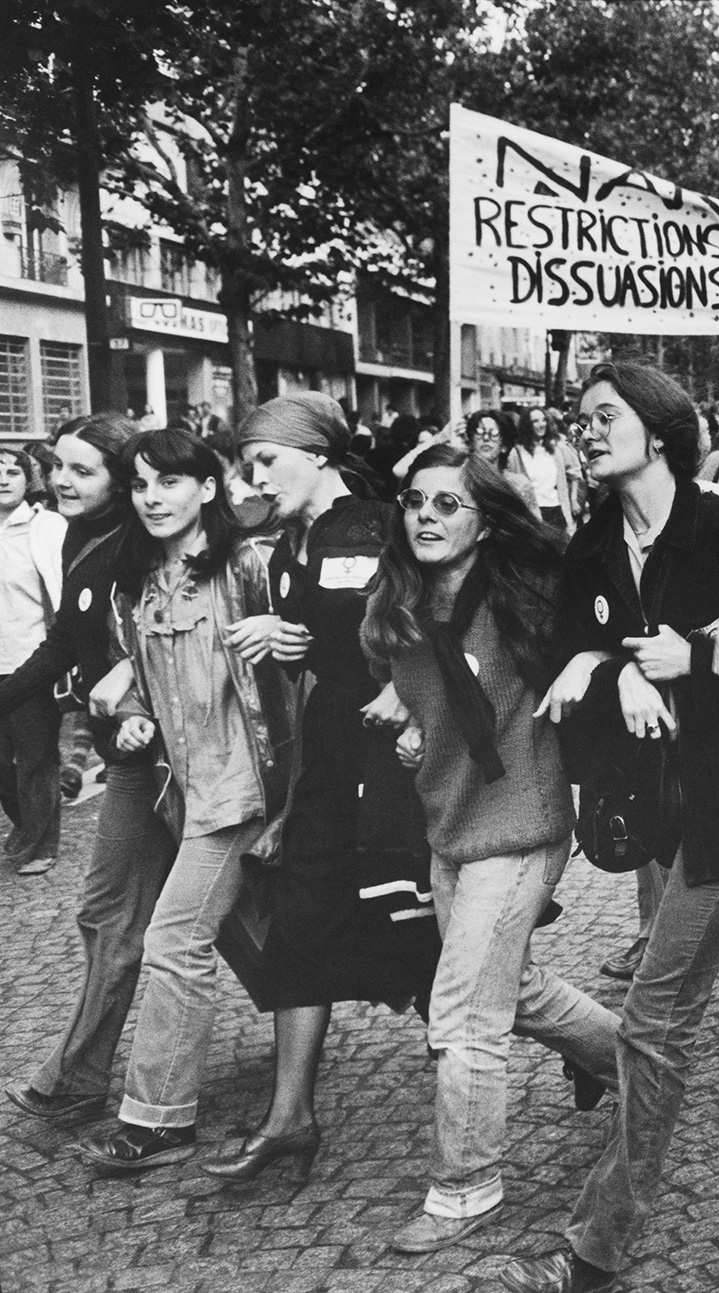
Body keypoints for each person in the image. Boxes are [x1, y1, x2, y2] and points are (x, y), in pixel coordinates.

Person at [493, 357, 719, 1293]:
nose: (584, 428)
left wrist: (694, 654)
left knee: (653, 1022)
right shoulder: (590, 546)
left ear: (658, 430)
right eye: (578, 417)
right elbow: (583, 660)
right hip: (661, 809)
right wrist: (613, 668)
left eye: (603, 414)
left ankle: (593, 1251)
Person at [359, 444, 620, 1253]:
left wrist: (590, 664)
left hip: (523, 820)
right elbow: (425, 693)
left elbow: (600, 634)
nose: (427, 516)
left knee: (466, 1009)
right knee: (517, 987)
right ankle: (635, 1061)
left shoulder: (525, 588)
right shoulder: (398, 598)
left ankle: (466, 1184)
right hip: (451, 823)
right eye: (415, 500)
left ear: (484, 517)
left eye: (448, 503)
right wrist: (407, 719)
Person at [193, 393, 442, 1185]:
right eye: (246, 461)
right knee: (300, 922)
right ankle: (289, 1119)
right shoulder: (292, 544)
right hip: (330, 763)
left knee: (428, 942)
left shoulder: (378, 523)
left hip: (392, 768)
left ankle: (598, 1050)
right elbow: (327, 637)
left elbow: (434, 613)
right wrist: (290, 638)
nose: (254, 475)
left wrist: (404, 685)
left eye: (267, 458)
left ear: (319, 455)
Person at [71, 429, 300, 1173]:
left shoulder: (248, 566)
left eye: (169, 482)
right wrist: (129, 708)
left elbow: (307, 664)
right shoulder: (133, 580)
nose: (151, 498)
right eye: (140, 485)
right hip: (182, 790)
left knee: (174, 939)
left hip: (242, 791)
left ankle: (160, 1118)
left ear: (208, 487)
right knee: (284, 931)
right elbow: (139, 673)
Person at [3, 414, 176, 1127]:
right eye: (60, 467)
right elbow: (64, 641)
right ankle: (79, 1071)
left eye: (84, 470)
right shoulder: (81, 534)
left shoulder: (139, 547)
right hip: (129, 752)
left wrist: (131, 690)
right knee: (156, 915)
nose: (64, 481)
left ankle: (77, 1075)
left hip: (159, 758)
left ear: (119, 476)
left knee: (112, 914)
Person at [0, 444, 66, 876]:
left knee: (36, 756)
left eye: (12, 471)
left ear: (29, 480)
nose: (3, 478)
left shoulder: (44, 527)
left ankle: (43, 843)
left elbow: (61, 592)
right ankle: (27, 825)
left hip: (30, 661)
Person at [511, 408, 576, 532]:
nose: (542, 425)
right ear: (527, 425)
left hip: (556, 510)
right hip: (532, 514)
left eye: (544, 420)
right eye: (535, 421)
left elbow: (564, 483)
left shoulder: (555, 451)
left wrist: (569, 516)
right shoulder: (517, 453)